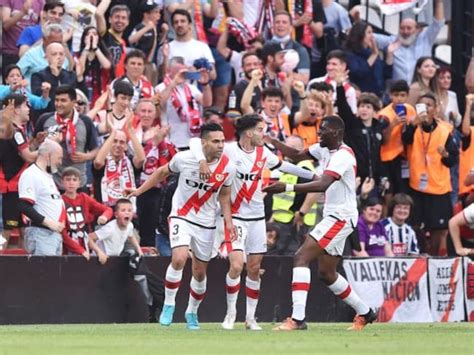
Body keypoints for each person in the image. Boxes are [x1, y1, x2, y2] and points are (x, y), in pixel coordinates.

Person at [189, 115, 317, 330]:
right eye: (260, 130)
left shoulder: (263, 153)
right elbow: (194, 142)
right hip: (235, 217)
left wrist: (317, 176)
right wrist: (202, 161)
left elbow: (286, 167)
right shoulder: (229, 150)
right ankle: (230, 315)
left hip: (257, 218)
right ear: (249, 133)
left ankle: (250, 318)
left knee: (255, 268)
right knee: (237, 265)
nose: (263, 135)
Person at [264, 115, 376, 331]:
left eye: (322, 131)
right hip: (334, 215)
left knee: (301, 257)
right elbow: (296, 155)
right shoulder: (324, 148)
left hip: (340, 216)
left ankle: (297, 319)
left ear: (336, 133)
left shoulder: (344, 156)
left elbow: (323, 184)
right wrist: (272, 140)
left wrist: (286, 188)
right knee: (327, 273)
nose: (318, 134)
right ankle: (365, 312)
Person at [128, 123, 236, 330]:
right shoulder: (184, 158)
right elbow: (161, 173)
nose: (221, 145)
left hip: (206, 223)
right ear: (204, 143)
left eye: (222, 141)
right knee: (178, 258)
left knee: (199, 272)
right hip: (181, 215)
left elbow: (224, 195)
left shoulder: (228, 168)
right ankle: (169, 305)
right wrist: (138, 191)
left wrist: (228, 221)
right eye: (216, 141)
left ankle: (192, 312)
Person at [402, 93, 458, 256]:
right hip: (416, 186)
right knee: (416, 225)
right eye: (421, 105)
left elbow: (452, 160)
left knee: (438, 229)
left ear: (436, 109)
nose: (425, 108)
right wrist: (413, 125)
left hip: (439, 188)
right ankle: (419, 256)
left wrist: (445, 154)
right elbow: (405, 141)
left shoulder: (445, 130)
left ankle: (431, 259)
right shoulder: (412, 126)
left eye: (429, 105)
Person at [34, 85, 99, 191]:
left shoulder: (85, 122)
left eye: (63, 100)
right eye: (56, 100)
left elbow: (96, 149)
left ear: (73, 102)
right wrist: (37, 141)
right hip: (51, 183)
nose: (58, 104)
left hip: (78, 183)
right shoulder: (44, 119)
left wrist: (86, 157)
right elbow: (32, 147)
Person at [372, 0, 445, 83]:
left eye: (409, 28)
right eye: (402, 28)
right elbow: (370, 36)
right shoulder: (392, 41)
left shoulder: (426, 39)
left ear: (417, 30)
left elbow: (438, 24)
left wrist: (439, 2)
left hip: (421, 90)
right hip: (399, 92)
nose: (405, 31)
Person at [0, 94, 39, 247]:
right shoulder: (14, 132)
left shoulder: (18, 131)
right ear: (16, 110)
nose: (28, 109)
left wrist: (36, 142)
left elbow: (22, 153)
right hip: (9, 188)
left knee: (23, 229)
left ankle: (23, 269)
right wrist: (47, 149)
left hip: (18, 188)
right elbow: (28, 157)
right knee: (6, 231)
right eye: (25, 106)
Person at [18, 139, 66, 256]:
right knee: (44, 273)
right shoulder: (31, 174)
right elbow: (23, 206)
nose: (60, 162)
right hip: (41, 233)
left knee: (52, 273)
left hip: (52, 234)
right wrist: (48, 222)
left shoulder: (46, 176)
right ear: (47, 155)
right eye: (59, 157)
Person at [272, 135, 318, 255]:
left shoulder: (304, 166)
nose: (288, 150)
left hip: (294, 221)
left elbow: (315, 190)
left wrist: (302, 212)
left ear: (301, 149)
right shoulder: (291, 166)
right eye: (286, 146)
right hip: (283, 220)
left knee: (290, 256)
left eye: (293, 147)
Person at [156, 56, 211, 150]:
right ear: (169, 70)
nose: (182, 73)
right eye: (178, 70)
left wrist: (205, 85)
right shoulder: (161, 87)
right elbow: (159, 103)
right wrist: (173, 84)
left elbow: (207, 103)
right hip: (172, 141)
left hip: (193, 140)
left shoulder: (191, 88)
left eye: (184, 70)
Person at [61, 167, 112, 256]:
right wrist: (80, 250)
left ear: (79, 183)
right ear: (62, 182)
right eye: (68, 179)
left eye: (74, 180)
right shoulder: (59, 200)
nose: (71, 183)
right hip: (66, 245)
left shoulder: (84, 198)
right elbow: (62, 231)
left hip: (84, 242)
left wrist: (104, 216)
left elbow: (108, 209)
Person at [379, 80, 417, 197]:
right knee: (388, 193)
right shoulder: (384, 114)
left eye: (402, 95)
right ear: (390, 95)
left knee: (403, 191)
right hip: (387, 159)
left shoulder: (410, 109)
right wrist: (392, 125)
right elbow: (383, 141)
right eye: (396, 95)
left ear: (407, 95)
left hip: (404, 157)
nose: (399, 98)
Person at [160, 9, 216, 80]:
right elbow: (163, 77)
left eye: (182, 21)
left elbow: (213, 76)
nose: (179, 24)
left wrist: (202, 69)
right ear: (173, 26)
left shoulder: (202, 47)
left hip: (196, 89)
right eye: (176, 22)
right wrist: (165, 57)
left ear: (189, 24)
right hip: (173, 89)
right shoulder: (166, 48)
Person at [344, 21, 394, 97]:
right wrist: (374, 55)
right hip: (362, 96)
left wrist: (389, 56)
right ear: (360, 34)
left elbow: (385, 74)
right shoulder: (350, 54)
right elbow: (358, 72)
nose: (372, 36)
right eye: (369, 33)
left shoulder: (372, 52)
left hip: (378, 95)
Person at [31, 42, 82, 114]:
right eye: (54, 54)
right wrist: (54, 77)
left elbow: (80, 98)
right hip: (47, 116)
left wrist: (80, 77)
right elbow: (45, 104)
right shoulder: (38, 76)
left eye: (61, 54)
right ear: (46, 57)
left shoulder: (71, 75)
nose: (58, 57)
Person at [0, 0, 43, 79]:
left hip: (31, 53)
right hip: (11, 52)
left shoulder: (40, 2)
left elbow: (41, 27)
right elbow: (5, 25)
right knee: (10, 87)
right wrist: (22, 12)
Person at [307, 50, 358, 114]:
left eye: (334, 64)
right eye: (328, 64)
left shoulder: (349, 91)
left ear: (343, 66)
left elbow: (352, 114)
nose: (330, 67)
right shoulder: (314, 82)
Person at [75, 26, 112, 107]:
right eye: (88, 34)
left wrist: (95, 48)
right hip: (81, 95)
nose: (91, 36)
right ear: (83, 38)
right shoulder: (78, 55)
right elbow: (79, 71)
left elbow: (107, 66)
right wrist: (87, 48)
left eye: (94, 34)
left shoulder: (104, 54)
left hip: (99, 95)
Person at [96, 4, 130, 78]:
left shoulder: (123, 43)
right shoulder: (104, 35)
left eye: (123, 18)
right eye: (117, 17)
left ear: (127, 22)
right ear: (109, 19)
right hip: (104, 83)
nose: (120, 20)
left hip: (119, 85)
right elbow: (98, 14)